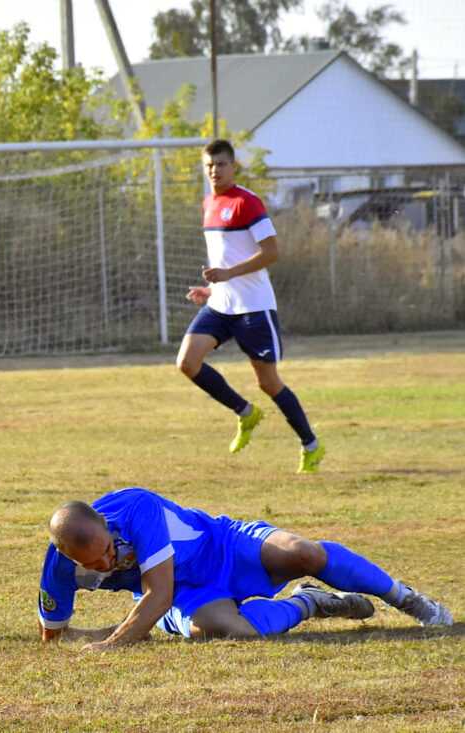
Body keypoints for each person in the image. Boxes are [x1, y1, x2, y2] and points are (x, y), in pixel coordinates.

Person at [38, 488, 452, 649]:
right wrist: (75, 636)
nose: (109, 562)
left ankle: (406, 598)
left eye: (110, 549)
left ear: (105, 526)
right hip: (188, 591)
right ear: (71, 560)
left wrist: (112, 643)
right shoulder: (57, 569)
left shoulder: (134, 508)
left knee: (303, 552)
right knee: (227, 630)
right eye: (97, 564)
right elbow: (52, 636)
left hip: (223, 543)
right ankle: (311, 603)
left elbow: (157, 593)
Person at [178, 139, 324, 473]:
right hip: (221, 304)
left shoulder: (248, 202)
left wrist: (228, 273)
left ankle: (311, 444)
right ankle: (246, 412)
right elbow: (224, 256)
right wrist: (212, 289)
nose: (215, 171)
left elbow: (271, 252)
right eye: (209, 166)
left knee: (268, 383)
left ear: (234, 166)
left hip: (254, 308)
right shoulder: (209, 203)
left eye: (221, 164)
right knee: (187, 362)